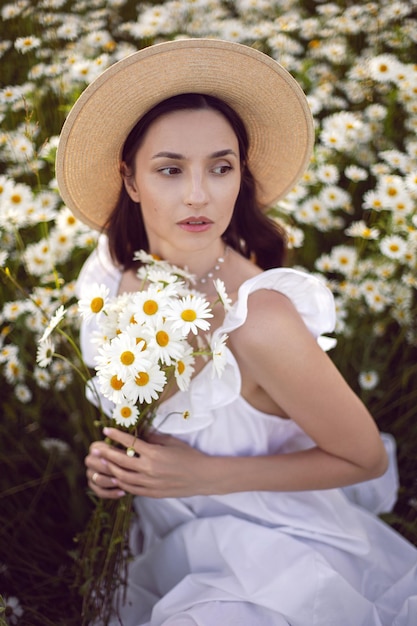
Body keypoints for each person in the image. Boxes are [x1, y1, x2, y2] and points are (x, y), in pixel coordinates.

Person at [56, 39, 417, 626]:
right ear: (130, 180)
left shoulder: (260, 318)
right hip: (166, 532)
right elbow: (140, 413)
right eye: (170, 169)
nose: (199, 194)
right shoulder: (112, 276)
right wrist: (119, 466)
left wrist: (204, 476)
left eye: (220, 167)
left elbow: (366, 458)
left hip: (271, 547)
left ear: (239, 174)